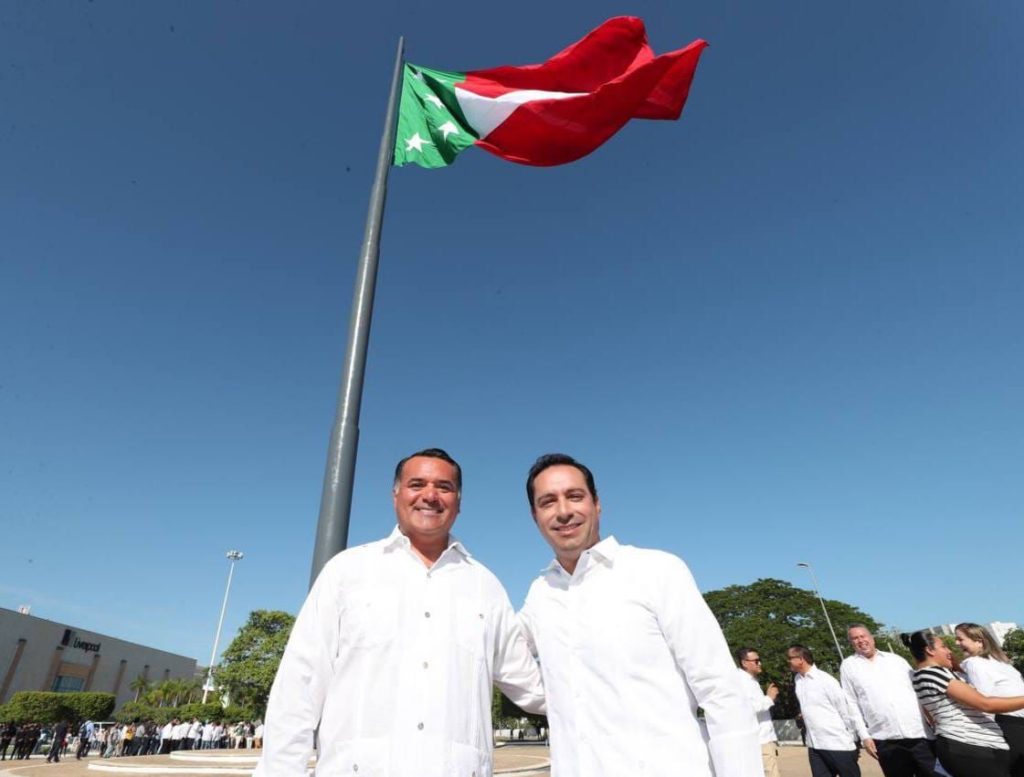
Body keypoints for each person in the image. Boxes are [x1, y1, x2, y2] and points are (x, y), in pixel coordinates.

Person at [254, 448, 545, 777]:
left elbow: (532, 686)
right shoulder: (347, 572)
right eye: (417, 484)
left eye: (444, 487)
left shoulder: (485, 587)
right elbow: (299, 685)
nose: (430, 496)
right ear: (395, 495)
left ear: (459, 502)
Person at [518, 453, 761, 777]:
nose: (563, 511)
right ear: (535, 516)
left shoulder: (656, 570)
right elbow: (497, 651)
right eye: (548, 501)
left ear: (597, 504)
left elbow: (719, 689)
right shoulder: (540, 594)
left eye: (574, 496)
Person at [902, 630, 1024, 777]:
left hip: (974, 746)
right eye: (944, 647)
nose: (950, 651)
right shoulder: (933, 673)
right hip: (969, 746)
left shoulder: (925, 675)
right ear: (929, 650)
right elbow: (985, 704)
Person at [840, 624, 938, 776]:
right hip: (885, 739)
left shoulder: (895, 660)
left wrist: (934, 721)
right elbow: (851, 703)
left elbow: (918, 690)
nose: (860, 640)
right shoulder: (849, 666)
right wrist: (864, 736)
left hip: (919, 734)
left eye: (863, 636)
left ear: (872, 638)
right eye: (855, 638)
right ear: (851, 643)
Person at [955, 623, 1024, 777]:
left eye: (960, 639)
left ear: (979, 641)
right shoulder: (1003, 663)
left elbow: (982, 701)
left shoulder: (974, 663)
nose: (956, 643)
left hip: (1006, 725)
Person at [788, 644, 861, 777]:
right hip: (814, 745)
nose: (788, 662)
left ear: (801, 659)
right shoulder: (798, 680)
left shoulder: (826, 680)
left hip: (838, 744)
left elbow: (844, 710)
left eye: (790, 658)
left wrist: (854, 739)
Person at [736, 646, 781, 777]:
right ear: (744, 663)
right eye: (756, 661)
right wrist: (769, 698)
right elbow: (746, 709)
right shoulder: (741, 681)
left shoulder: (751, 681)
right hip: (759, 740)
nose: (760, 663)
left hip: (761, 739)